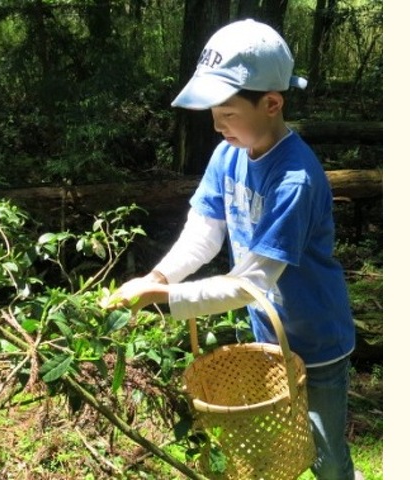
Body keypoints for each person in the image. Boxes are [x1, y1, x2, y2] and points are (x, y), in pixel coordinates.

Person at [106, 18, 362, 480]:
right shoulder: (228, 153)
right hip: (270, 333)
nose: (217, 125)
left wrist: (167, 301)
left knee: (326, 457)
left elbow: (254, 281)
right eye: (212, 113)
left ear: (270, 103)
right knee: (281, 443)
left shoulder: (294, 180)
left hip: (318, 339)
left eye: (227, 112)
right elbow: (204, 232)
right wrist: (158, 278)